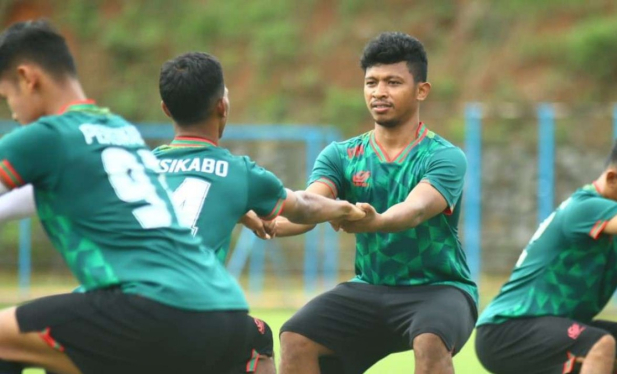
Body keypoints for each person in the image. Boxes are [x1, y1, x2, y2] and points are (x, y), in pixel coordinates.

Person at [0, 20, 363, 374]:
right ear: (222, 105)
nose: (12, 111)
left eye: (7, 96)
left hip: (147, 307)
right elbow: (301, 206)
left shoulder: (57, 138)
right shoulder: (121, 133)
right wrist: (346, 208)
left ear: (27, 78)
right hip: (221, 308)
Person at [276, 32, 478, 374]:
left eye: (393, 82)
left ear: (421, 90)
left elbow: (415, 210)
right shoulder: (341, 155)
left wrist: (375, 221)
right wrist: (264, 220)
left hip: (440, 289)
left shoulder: (444, 156)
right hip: (370, 288)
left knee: (430, 338)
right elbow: (308, 207)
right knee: (296, 336)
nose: (379, 92)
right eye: (371, 82)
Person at [475, 131, 617, 374]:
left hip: (557, 331)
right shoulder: (585, 208)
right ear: (613, 178)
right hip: (507, 330)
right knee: (599, 345)